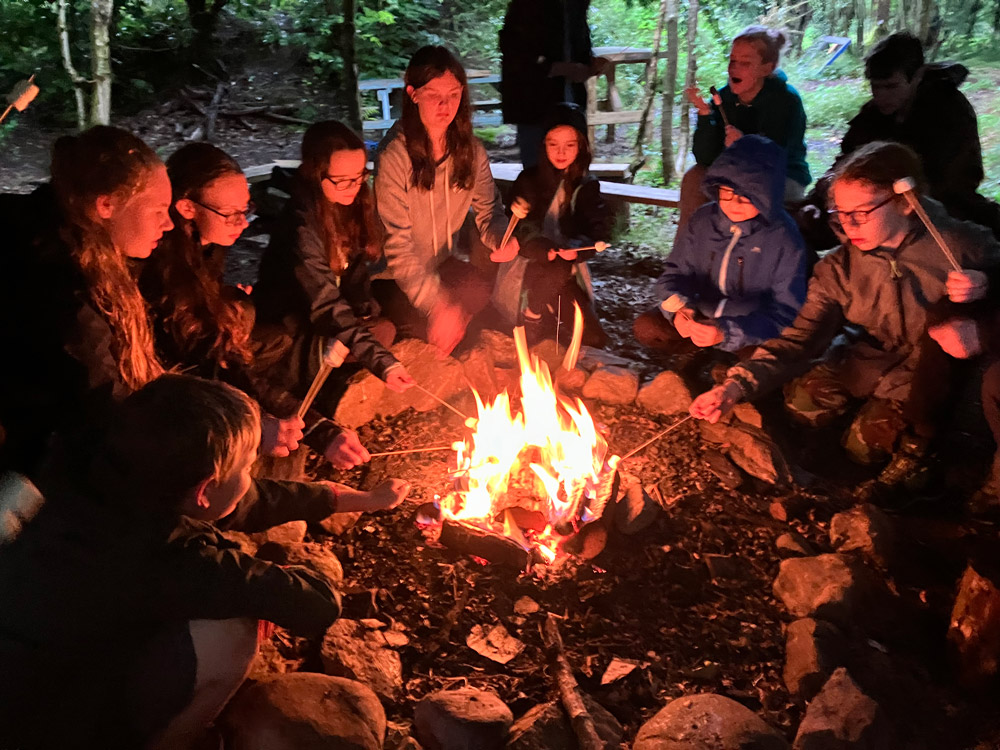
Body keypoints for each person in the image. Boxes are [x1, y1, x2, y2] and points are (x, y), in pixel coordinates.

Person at [0, 374, 410, 749]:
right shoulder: (174, 560)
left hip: (31, 649)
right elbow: (316, 605)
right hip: (54, 724)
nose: (251, 476)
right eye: (248, 466)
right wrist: (280, 578)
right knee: (232, 633)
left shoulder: (101, 469)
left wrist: (362, 500)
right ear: (204, 490)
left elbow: (250, 502)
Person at [689, 141, 999, 492]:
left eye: (862, 212)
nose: (849, 225)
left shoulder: (961, 246)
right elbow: (798, 338)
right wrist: (735, 386)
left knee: (863, 448)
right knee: (803, 405)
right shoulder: (840, 268)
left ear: (905, 202)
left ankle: (925, 459)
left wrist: (988, 283)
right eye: (839, 212)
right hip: (871, 357)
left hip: (931, 373)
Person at [142, 142, 366, 469]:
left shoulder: (204, 244)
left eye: (246, 210)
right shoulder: (165, 270)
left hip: (208, 354)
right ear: (187, 207)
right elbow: (220, 362)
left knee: (276, 336)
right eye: (230, 214)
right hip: (172, 384)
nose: (243, 223)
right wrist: (317, 430)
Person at [0, 126, 173, 476]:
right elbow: (101, 399)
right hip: (32, 465)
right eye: (158, 211)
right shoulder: (60, 281)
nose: (169, 224)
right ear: (106, 205)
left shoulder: (88, 252)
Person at [253, 122, 416, 425]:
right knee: (365, 342)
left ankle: (339, 381)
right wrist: (382, 362)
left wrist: (363, 311)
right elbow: (324, 302)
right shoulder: (300, 226)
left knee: (383, 328)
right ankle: (311, 398)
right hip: (294, 324)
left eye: (360, 177)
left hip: (330, 317)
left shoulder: (348, 204)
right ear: (314, 174)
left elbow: (355, 276)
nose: (354, 187)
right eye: (341, 181)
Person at [374, 45, 514, 357]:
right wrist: (438, 306)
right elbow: (398, 248)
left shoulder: (470, 151)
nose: (445, 104)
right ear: (413, 94)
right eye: (434, 94)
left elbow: (490, 211)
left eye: (453, 94)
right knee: (428, 328)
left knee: (481, 303)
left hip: (441, 263)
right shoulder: (394, 155)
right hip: (394, 277)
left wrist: (501, 237)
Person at [633, 135, 807, 357]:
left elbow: (786, 310)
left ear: (766, 195)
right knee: (647, 327)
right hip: (701, 312)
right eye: (727, 192)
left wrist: (727, 332)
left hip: (747, 326)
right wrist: (680, 309)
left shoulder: (783, 237)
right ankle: (700, 354)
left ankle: (724, 360)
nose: (734, 203)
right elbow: (675, 273)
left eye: (747, 196)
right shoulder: (703, 220)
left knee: (764, 352)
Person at [838, 31, 1000, 239]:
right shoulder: (872, 114)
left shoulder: (950, 111)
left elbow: (948, 181)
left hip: (946, 204)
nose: (881, 96)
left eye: (891, 86)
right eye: (875, 87)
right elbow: (847, 160)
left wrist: (892, 203)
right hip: (878, 205)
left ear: (917, 76)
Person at [494, 103, 611, 347]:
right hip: (529, 267)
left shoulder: (587, 186)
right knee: (552, 271)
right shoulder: (528, 180)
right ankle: (533, 316)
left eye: (570, 145)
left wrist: (576, 247)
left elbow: (598, 230)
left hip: (564, 271)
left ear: (581, 146)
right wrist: (538, 246)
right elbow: (517, 226)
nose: (561, 152)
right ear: (543, 145)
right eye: (553, 144)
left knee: (593, 338)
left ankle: (541, 312)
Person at [680, 26, 810, 231]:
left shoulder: (785, 101)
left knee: (741, 192)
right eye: (732, 61)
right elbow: (704, 158)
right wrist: (705, 115)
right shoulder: (723, 99)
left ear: (766, 69)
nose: (734, 69)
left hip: (783, 176)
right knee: (694, 177)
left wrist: (745, 145)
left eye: (745, 63)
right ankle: (689, 247)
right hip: (733, 172)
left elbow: (775, 157)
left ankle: (745, 248)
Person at [499, 0, 605, 167]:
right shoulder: (526, 5)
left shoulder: (576, 5)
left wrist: (589, 64)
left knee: (574, 171)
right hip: (534, 104)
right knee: (537, 171)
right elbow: (515, 53)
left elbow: (577, 42)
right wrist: (559, 68)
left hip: (573, 102)